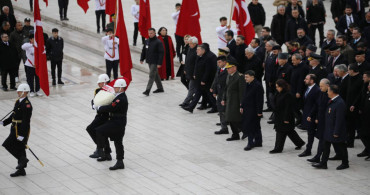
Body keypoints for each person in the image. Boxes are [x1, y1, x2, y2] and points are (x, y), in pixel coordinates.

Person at [93, 79, 128, 170]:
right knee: (117, 141)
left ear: (121, 88)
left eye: (116, 87)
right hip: (115, 121)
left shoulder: (120, 99)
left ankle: (102, 151)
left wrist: (100, 108)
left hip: (118, 122)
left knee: (100, 131)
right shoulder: (118, 96)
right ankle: (115, 159)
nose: (114, 88)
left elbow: (111, 107)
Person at [312, 85, 349, 170]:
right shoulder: (332, 101)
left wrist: (336, 132)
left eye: (328, 91)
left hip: (336, 130)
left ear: (332, 92)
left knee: (341, 147)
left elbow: (339, 119)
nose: (327, 92)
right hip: (328, 128)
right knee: (326, 146)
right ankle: (323, 163)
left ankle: (345, 163)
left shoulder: (340, 103)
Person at [0, 83, 32, 177]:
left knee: (7, 144)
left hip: (21, 129)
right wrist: (4, 122)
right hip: (14, 128)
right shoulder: (19, 101)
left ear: (24, 92)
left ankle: (22, 160)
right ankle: (21, 170)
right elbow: (14, 115)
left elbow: (26, 121)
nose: (17, 92)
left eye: (19, 91)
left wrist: (22, 135)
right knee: (20, 148)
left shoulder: (27, 105)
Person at [270, 79, 305, 153]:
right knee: (289, 131)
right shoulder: (278, 93)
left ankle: (278, 148)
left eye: (277, 87)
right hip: (279, 116)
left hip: (285, 117)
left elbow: (288, 108)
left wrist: (286, 119)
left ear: (282, 87)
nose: (276, 88)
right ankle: (299, 143)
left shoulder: (288, 95)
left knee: (280, 132)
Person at [86, 74, 112, 159]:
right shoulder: (97, 90)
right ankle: (106, 153)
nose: (98, 84)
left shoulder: (110, 91)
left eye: (100, 83)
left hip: (106, 115)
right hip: (99, 115)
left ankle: (100, 149)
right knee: (97, 131)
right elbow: (94, 100)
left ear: (105, 82)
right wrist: (94, 105)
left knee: (93, 129)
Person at [307, 78, 331, 163]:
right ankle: (318, 156)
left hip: (327, 121)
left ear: (327, 86)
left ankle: (343, 159)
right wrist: (312, 115)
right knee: (322, 139)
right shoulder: (321, 93)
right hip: (321, 120)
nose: (320, 88)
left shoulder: (330, 95)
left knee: (333, 142)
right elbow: (317, 106)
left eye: (321, 86)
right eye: (320, 86)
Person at [222, 61, 246, 141]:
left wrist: (241, 103)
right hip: (229, 100)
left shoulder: (240, 77)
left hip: (236, 101)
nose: (227, 69)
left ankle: (244, 130)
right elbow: (226, 88)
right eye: (227, 68)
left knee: (235, 118)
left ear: (234, 68)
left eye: (229, 68)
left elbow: (242, 91)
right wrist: (223, 98)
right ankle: (235, 134)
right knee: (230, 118)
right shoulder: (229, 75)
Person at [241, 70, 264, 150]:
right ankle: (258, 141)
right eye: (245, 77)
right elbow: (244, 96)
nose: (245, 79)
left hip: (253, 110)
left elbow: (259, 100)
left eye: (247, 77)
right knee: (256, 126)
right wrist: (242, 106)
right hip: (247, 108)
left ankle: (250, 143)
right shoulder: (248, 84)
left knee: (250, 126)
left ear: (252, 77)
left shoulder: (257, 85)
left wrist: (259, 112)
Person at [299, 74, 321, 157]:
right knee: (310, 133)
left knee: (312, 133)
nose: (304, 80)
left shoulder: (317, 90)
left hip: (312, 115)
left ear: (312, 81)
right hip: (307, 114)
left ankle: (308, 150)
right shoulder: (308, 88)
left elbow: (316, 105)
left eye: (306, 79)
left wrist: (314, 116)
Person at [140, 28, 164, 96]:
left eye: (151, 33)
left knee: (151, 75)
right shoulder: (147, 41)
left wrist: (159, 63)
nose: (150, 34)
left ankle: (147, 90)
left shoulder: (158, 42)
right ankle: (160, 88)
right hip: (149, 61)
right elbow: (144, 51)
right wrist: (142, 58)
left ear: (155, 33)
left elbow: (161, 53)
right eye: (149, 33)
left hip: (155, 61)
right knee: (155, 75)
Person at [345, 64, 363, 148]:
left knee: (352, 125)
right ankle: (348, 139)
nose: (347, 71)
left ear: (352, 70)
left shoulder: (360, 79)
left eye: (348, 70)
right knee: (348, 124)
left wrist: (354, 104)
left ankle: (350, 142)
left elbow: (360, 94)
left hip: (355, 106)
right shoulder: (349, 78)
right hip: (348, 104)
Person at [290, 53, 308, 127]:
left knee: (298, 106)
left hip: (299, 91)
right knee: (294, 106)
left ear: (299, 60)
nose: (292, 62)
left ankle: (301, 120)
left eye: (294, 60)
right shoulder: (296, 66)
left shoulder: (303, 67)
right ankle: (299, 119)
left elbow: (301, 81)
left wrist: (298, 92)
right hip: (293, 89)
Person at [213, 56, 229, 135]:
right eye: (217, 62)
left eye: (219, 62)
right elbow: (216, 79)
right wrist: (214, 89)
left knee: (226, 110)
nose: (218, 64)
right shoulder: (219, 69)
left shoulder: (228, 70)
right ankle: (224, 127)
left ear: (224, 62)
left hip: (226, 93)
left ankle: (238, 127)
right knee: (221, 110)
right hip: (220, 93)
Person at [180, 36, 198, 107]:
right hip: (189, 72)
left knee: (191, 89)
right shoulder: (190, 49)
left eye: (190, 43)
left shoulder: (197, 50)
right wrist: (185, 69)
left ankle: (186, 102)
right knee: (196, 90)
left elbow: (196, 64)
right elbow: (187, 60)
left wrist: (194, 73)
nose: (189, 44)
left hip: (194, 74)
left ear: (195, 44)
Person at [359, 75, 370, 160]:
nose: (368, 86)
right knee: (363, 134)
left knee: (364, 135)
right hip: (365, 118)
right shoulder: (367, 93)